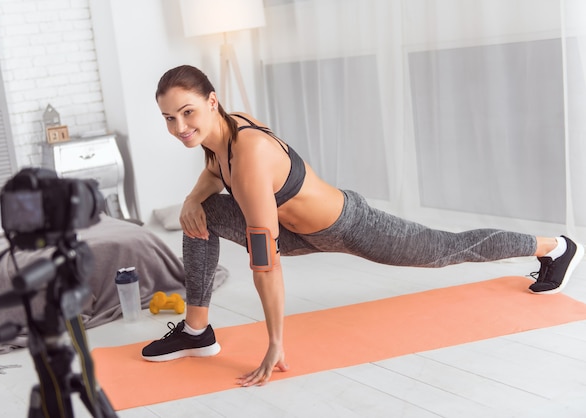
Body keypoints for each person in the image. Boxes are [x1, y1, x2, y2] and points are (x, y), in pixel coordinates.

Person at [141, 64, 584, 387]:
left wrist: (275, 341)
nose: (179, 127)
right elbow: (216, 172)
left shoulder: (251, 154)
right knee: (199, 216)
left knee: (446, 250)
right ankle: (197, 333)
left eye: (187, 113)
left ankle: (555, 247)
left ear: (211, 102)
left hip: (348, 224)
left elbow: (265, 263)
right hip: (300, 231)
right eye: (168, 118)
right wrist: (191, 199)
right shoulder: (221, 136)